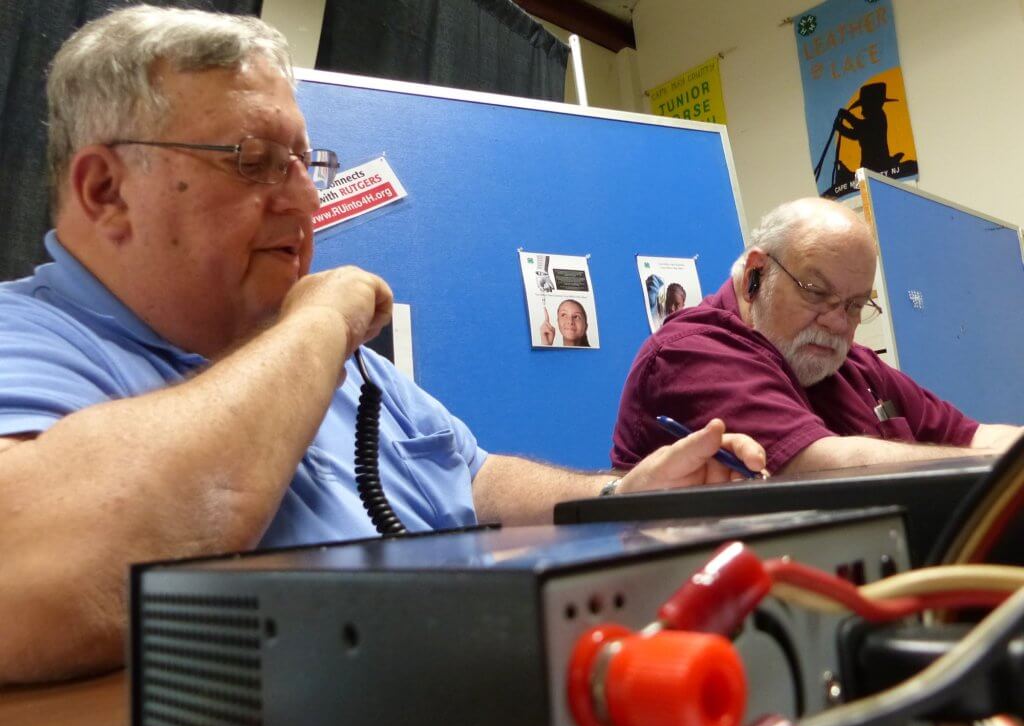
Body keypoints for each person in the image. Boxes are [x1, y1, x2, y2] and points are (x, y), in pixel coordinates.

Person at [0, 6, 764, 685]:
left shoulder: (342, 365)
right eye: (254, 161)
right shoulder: (28, 341)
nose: (303, 200)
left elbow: (471, 479)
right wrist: (317, 325)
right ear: (105, 190)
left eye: (306, 163)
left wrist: (617, 498)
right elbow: (39, 580)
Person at [612, 197, 1021, 475]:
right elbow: (825, 467)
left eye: (856, 305)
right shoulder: (689, 355)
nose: (838, 323)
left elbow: (972, 435)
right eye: (816, 293)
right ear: (757, 274)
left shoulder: (851, 365)